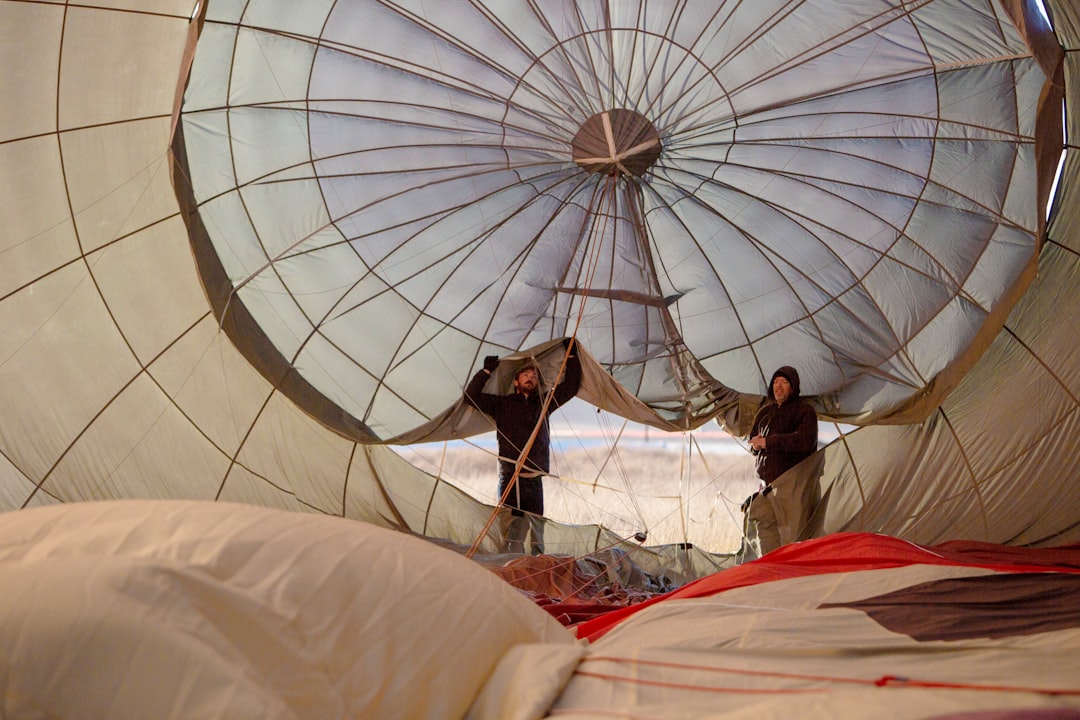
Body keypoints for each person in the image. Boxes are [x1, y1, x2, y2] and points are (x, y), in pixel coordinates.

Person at [465, 339, 582, 554]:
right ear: (516, 381)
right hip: (511, 475)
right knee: (511, 530)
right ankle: (508, 567)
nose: (531, 378)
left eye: (535, 376)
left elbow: (571, 386)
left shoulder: (544, 403)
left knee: (537, 530)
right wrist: (486, 371)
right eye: (526, 375)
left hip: (534, 479)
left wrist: (572, 356)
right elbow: (471, 396)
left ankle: (534, 570)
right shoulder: (503, 404)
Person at [741, 365, 818, 559]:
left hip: (792, 483)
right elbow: (752, 441)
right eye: (775, 382)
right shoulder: (765, 413)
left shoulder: (804, 412)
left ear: (793, 387)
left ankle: (791, 572)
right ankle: (770, 564)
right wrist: (756, 446)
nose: (779, 387)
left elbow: (804, 441)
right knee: (759, 515)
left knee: (790, 532)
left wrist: (769, 441)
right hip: (767, 485)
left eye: (784, 382)